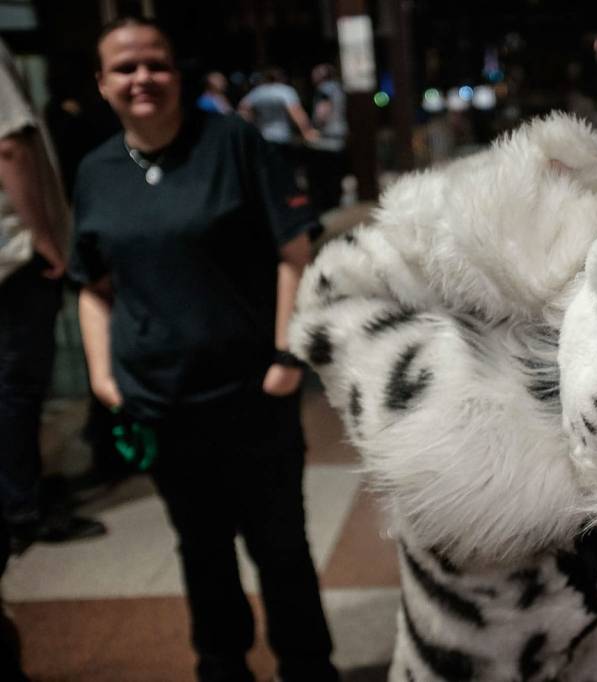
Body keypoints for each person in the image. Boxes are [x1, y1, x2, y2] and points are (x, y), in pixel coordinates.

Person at [70, 18, 338, 682]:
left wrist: (285, 359)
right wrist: (103, 378)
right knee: (200, 545)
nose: (142, 78)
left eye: (155, 64)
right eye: (125, 68)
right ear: (102, 83)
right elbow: (93, 288)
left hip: (251, 392)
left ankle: (307, 666)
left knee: (280, 545)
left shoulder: (233, 142)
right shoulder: (97, 171)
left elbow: (295, 253)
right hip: (160, 400)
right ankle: (221, 665)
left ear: (177, 72)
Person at [0, 35, 108, 681]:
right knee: (18, 387)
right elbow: (11, 145)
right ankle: (23, 508)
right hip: (11, 254)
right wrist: (45, 237)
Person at [238, 67, 318, 147]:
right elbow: (296, 113)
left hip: (262, 135)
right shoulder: (285, 91)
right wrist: (306, 132)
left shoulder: (257, 91)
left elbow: (243, 111)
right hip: (282, 136)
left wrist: (250, 127)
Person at [307, 63, 348, 210]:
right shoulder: (338, 88)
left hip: (326, 139)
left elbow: (322, 112)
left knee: (325, 176)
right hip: (339, 136)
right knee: (336, 175)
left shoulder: (324, 89)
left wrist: (313, 128)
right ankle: (335, 203)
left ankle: (327, 205)